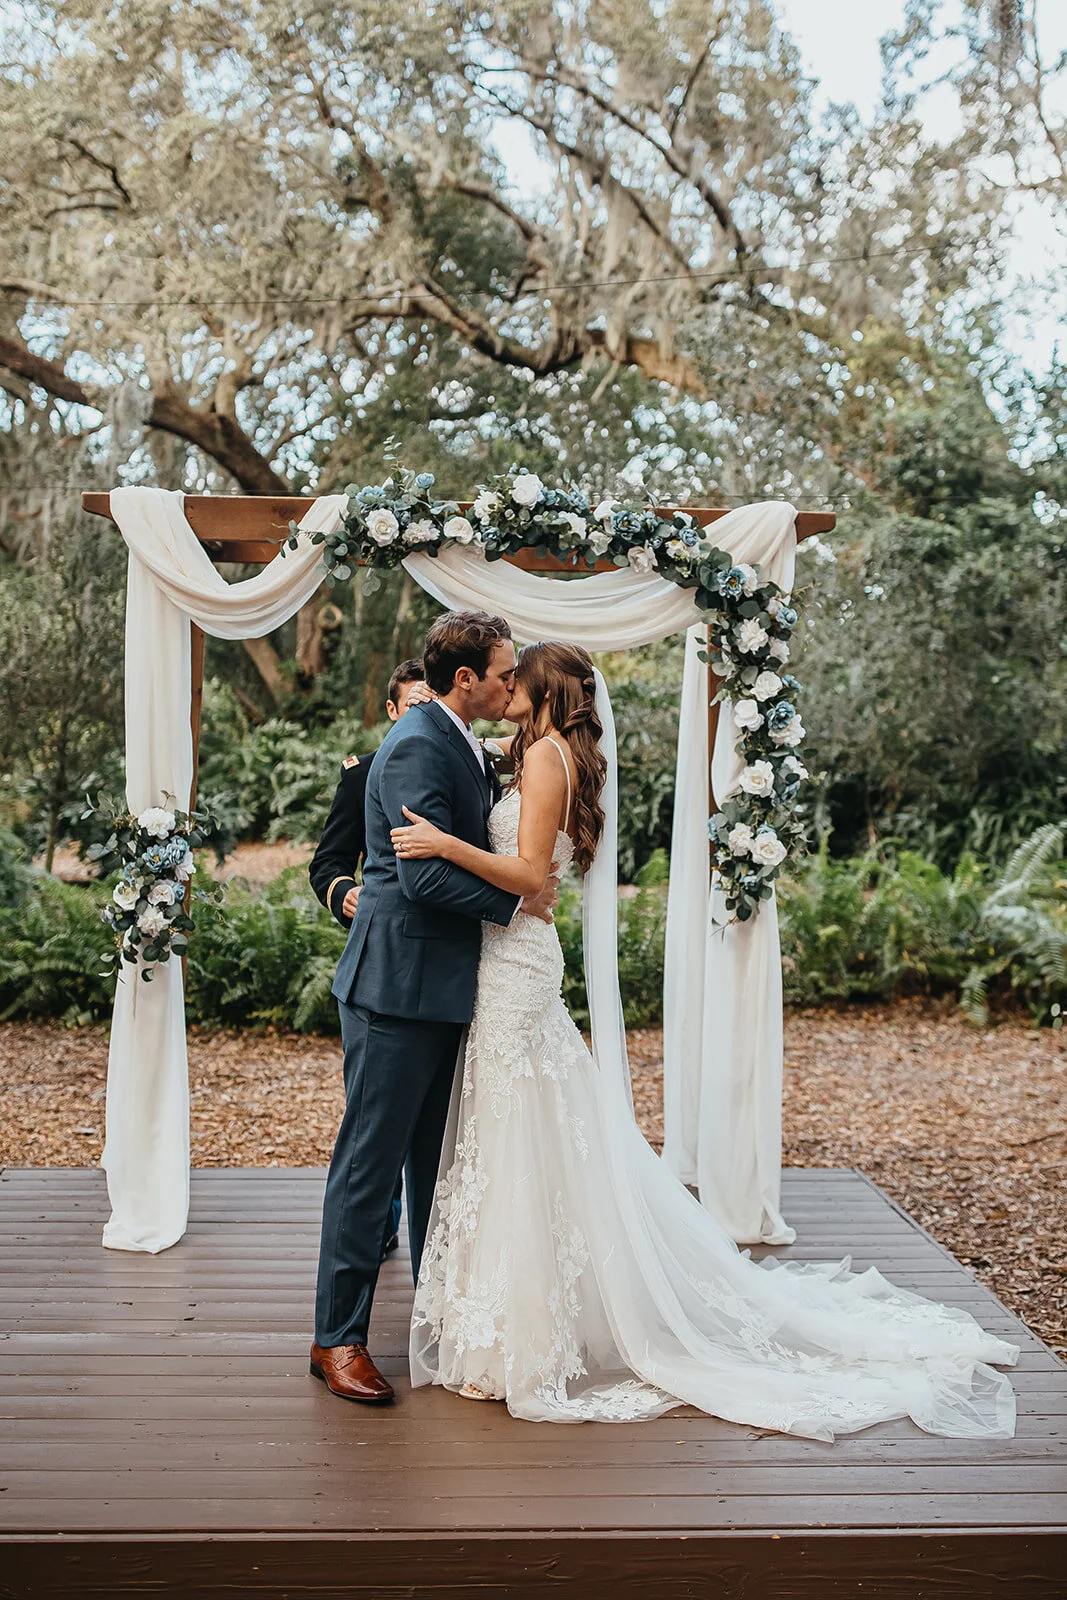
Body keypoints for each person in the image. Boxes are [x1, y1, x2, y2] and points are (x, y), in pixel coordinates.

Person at [397, 640, 1018, 1438]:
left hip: (514, 962)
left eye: (518, 677)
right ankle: (508, 1324)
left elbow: (525, 876)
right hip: (506, 957)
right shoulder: (532, 754)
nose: (506, 685)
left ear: (547, 689)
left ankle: (519, 1336)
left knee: (517, 1129)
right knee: (516, 1134)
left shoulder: (549, 759)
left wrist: (444, 843)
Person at [310, 612, 560, 1405]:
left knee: (436, 1164)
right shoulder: (419, 742)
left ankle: (437, 1309)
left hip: (449, 987)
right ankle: (336, 1338)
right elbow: (417, 878)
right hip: (396, 986)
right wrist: (515, 904)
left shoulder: (460, 740)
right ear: (465, 680)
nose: (509, 682)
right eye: (502, 671)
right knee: (369, 1162)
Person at [308, 658, 431, 1259]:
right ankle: (378, 1226)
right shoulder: (364, 774)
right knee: (375, 1112)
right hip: (380, 956)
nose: (421, 713)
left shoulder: (458, 762)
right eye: (412, 705)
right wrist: (341, 893)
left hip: (437, 964)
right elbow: (326, 863)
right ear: (391, 710)